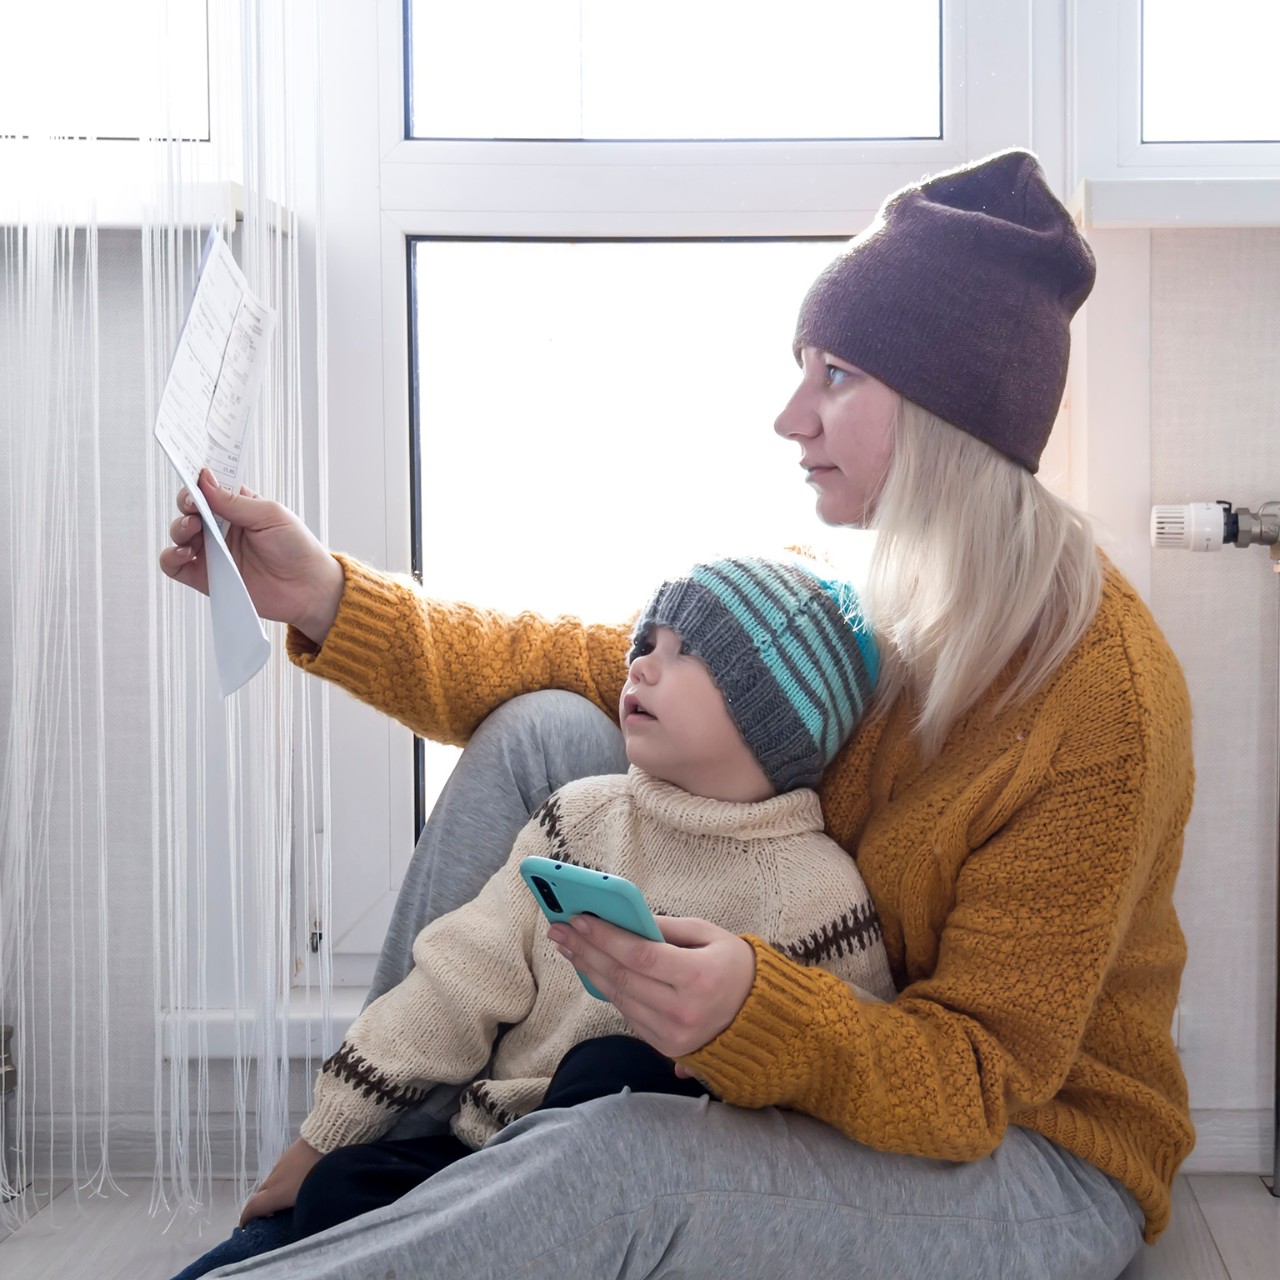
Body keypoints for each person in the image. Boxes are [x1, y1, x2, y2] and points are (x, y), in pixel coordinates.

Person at [160, 148, 1194, 1280]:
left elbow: (975, 1080)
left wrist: (757, 1006)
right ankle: (374, 1163)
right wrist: (323, 596)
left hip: (1027, 1158)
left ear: (948, 405)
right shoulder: (864, 598)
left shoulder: (1097, 700)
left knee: (625, 1157)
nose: (788, 415)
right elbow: (563, 662)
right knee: (545, 728)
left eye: (836, 374)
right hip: (838, 1073)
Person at [168, 555, 897, 1280]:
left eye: (687, 654)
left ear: (773, 715)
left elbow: (843, 1085)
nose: (640, 666)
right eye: (646, 645)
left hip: (653, 1191)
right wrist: (326, 1135)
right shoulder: (580, 817)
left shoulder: (818, 895)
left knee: (615, 1068)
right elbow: (457, 979)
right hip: (495, 1153)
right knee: (339, 1191)